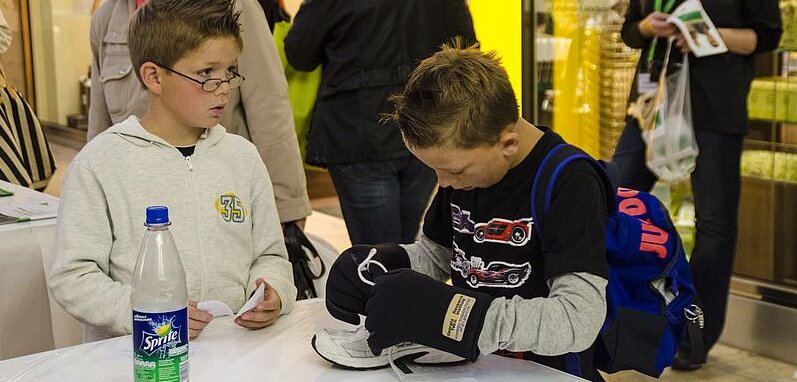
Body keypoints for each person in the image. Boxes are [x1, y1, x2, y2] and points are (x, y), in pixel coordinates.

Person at [319, 44, 611, 381]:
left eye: (455, 171)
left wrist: (455, 316)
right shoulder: (465, 173)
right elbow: (438, 254)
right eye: (435, 170)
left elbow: (578, 319)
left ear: (508, 144)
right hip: (475, 365)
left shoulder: (570, 182)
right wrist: (387, 264)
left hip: (548, 371)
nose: (443, 182)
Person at [48, 0, 297, 342]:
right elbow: (72, 276)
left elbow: (271, 255)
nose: (223, 86)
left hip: (236, 354)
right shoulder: (100, 164)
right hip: (137, 358)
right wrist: (141, 310)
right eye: (206, 73)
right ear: (153, 77)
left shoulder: (243, 157)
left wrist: (275, 290)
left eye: (229, 72)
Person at [611, 0, 782, 370]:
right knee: (611, 197)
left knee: (714, 223)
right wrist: (648, 28)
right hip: (651, 103)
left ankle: (694, 335)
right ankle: (612, 314)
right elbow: (630, 29)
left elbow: (766, 36)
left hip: (714, 107)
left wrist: (707, 36)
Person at [87, 0, 311, 229]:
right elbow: (99, 117)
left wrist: (288, 209)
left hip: (222, 201)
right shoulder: (107, 17)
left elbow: (268, 105)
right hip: (140, 204)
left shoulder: (235, 6)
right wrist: (93, 194)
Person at [284, 0, 476, 245]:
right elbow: (465, 45)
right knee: (406, 242)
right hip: (427, 121)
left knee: (376, 251)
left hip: (356, 129)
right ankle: (401, 281)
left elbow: (300, 54)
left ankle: (388, 282)